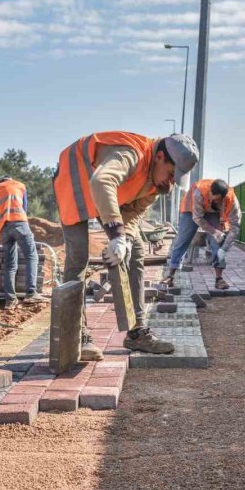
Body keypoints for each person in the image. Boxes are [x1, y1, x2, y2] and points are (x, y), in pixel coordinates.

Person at [54, 131, 198, 359]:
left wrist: (125, 240)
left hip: (106, 193)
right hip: (76, 182)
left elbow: (132, 214)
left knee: (136, 251)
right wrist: (116, 234)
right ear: (160, 157)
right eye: (171, 174)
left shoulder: (157, 185)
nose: (171, 183)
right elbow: (101, 181)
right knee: (78, 257)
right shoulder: (130, 154)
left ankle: (137, 333)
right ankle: (76, 335)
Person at [0, 176, 48, 310]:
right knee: (31, 256)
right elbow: (24, 210)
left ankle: (10, 300)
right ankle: (31, 293)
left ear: (0, 182)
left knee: (10, 265)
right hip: (20, 224)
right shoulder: (20, 185)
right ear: (11, 179)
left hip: (3, 229)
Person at [161, 178, 242, 289]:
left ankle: (219, 279)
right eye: (213, 198)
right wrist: (214, 232)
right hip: (191, 210)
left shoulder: (232, 200)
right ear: (210, 192)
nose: (215, 201)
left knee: (218, 243)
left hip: (213, 212)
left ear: (223, 197)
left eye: (218, 200)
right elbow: (197, 218)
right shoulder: (199, 192)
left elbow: (235, 227)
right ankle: (170, 276)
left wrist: (224, 248)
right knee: (182, 240)